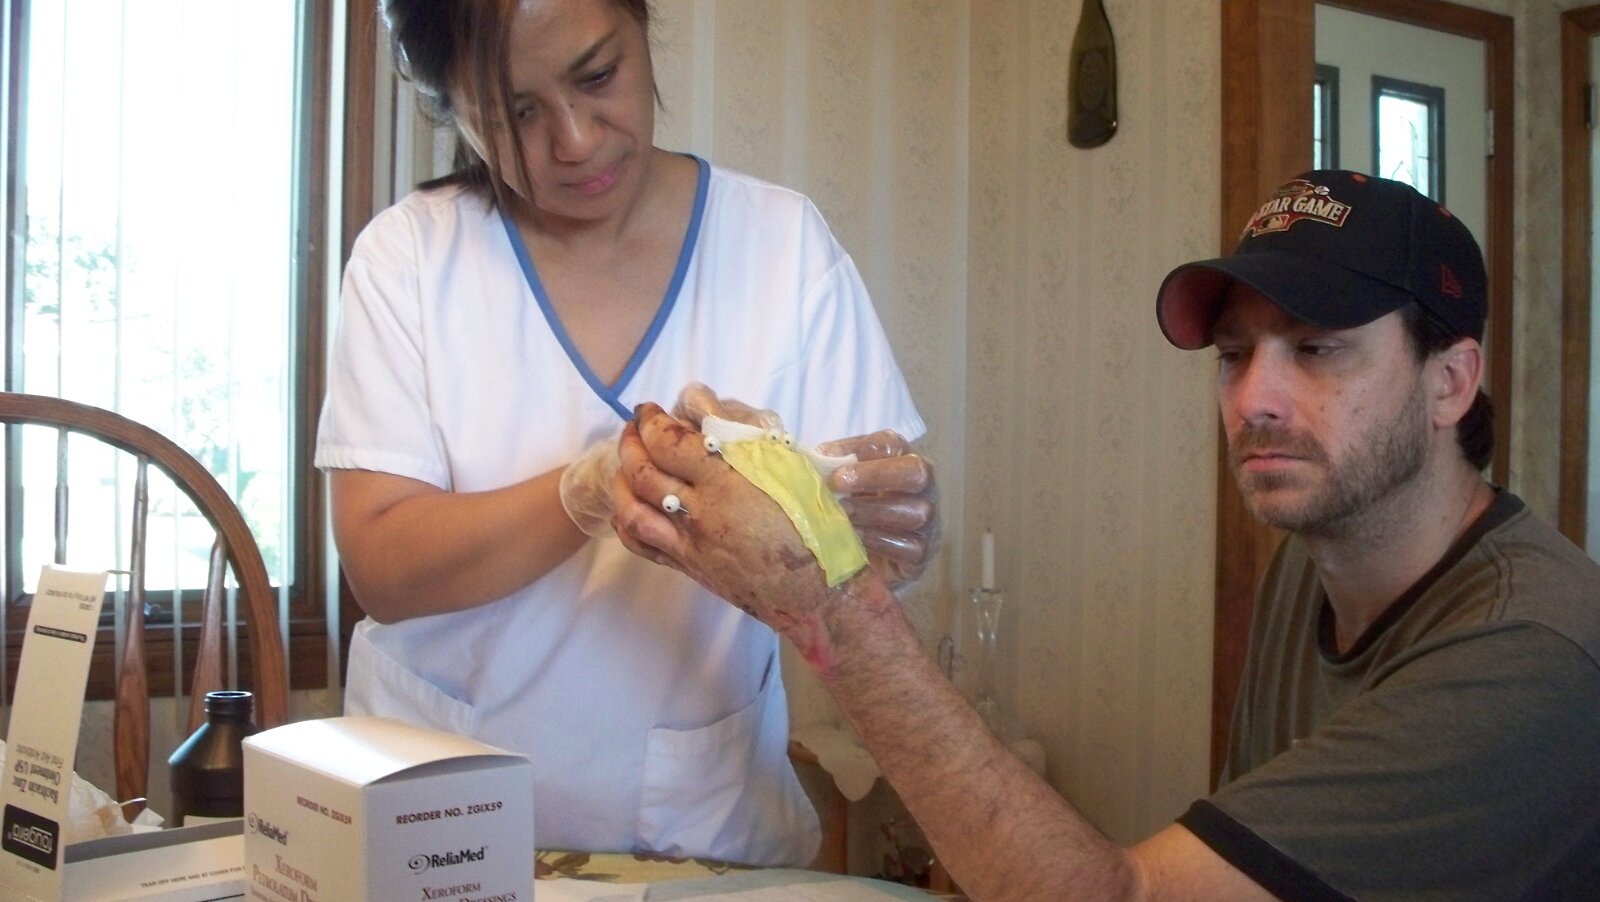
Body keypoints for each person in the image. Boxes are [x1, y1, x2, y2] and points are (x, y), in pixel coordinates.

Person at [611, 170, 1600, 899]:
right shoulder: (1314, 565)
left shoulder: (1527, 656)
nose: (1253, 399)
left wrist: (826, 597)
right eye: (1233, 355)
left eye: (1316, 349)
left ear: (1450, 381)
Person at [314, 0, 936, 866]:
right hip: (439, 837)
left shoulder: (782, 248)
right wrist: (588, 490)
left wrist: (894, 523)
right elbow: (382, 567)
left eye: (598, 75)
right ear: (453, 108)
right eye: (516, 113)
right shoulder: (410, 260)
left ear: (641, 26)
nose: (575, 141)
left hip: (703, 831)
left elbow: (863, 530)